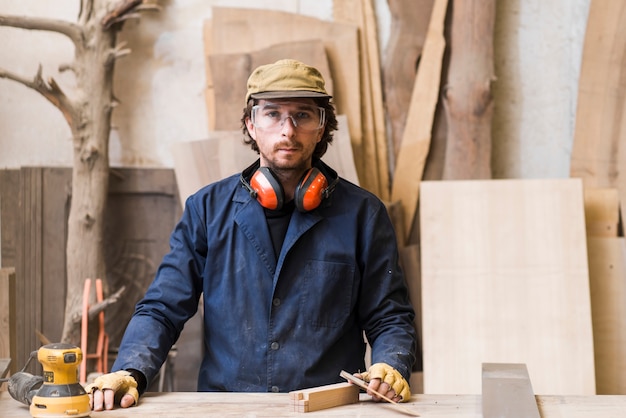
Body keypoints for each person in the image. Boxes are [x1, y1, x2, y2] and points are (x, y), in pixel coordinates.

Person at [86, 59, 417, 411]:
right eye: (272, 114)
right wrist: (131, 369)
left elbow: (389, 316)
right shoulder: (207, 210)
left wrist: (391, 364)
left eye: (303, 115)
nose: (287, 130)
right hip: (226, 408)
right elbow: (163, 307)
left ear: (322, 127)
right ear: (251, 124)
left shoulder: (363, 215)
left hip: (327, 409)